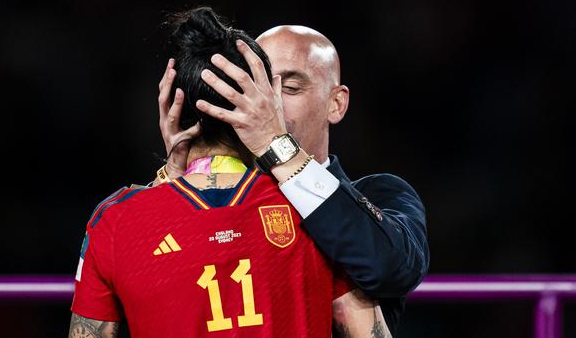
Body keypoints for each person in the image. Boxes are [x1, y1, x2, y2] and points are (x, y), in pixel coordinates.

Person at [69, 7, 392, 338]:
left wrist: (166, 178)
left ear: (173, 107)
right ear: (263, 104)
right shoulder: (312, 209)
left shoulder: (114, 221)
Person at [155, 24, 430, 336]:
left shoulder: (381, 193)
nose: (269, 103)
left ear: (335, 104)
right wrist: (177, 179)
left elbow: (390, 268)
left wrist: (276, 145)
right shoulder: (215, 200)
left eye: (290, 88)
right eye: (257, 86)